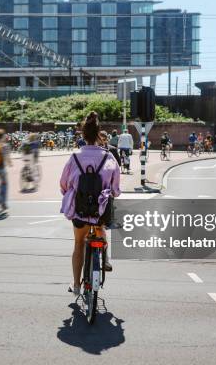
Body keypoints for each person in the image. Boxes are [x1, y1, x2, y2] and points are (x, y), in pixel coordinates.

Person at [60, 112, 121, 296]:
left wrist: (70, 193)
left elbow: (63, 184)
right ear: (98, 135)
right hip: (100, 212)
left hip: (79, 210)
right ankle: (106, 259)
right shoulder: (109, 157)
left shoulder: (74, 157)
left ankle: (77, 286)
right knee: (101, 226)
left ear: (82, 135)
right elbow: (116, 189)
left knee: (79, 243)